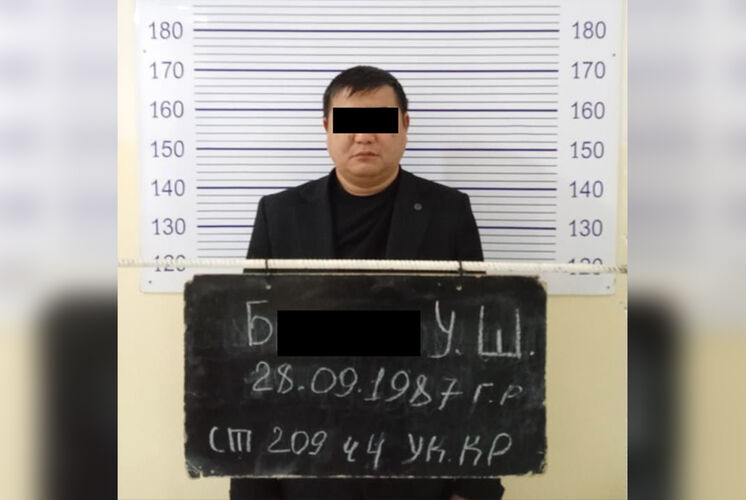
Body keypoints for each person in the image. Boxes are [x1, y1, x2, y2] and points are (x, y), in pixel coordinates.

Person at [235, 66, 503, 499]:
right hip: (305, 461)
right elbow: (252, 348)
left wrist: (474, 489)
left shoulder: (449, 213)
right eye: (348, 123)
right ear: (327, 128)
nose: (363, 136)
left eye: (379, 121)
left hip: (421, 460)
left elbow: (474, 346)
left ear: (404, 126)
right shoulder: (279, 215)